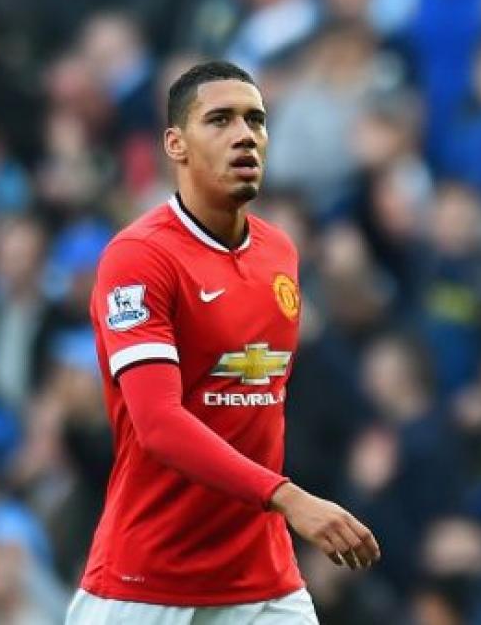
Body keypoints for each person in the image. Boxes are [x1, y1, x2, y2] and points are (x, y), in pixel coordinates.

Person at [66, 60, 380, 624]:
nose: (245, 135)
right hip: (148, 582)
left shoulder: (279, 254)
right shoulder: (139, 258)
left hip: (263, 581)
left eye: (256, 120)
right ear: (176, 144)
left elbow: (258, 409)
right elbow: (158, 424)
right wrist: (288, 497)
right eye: (220, 120)